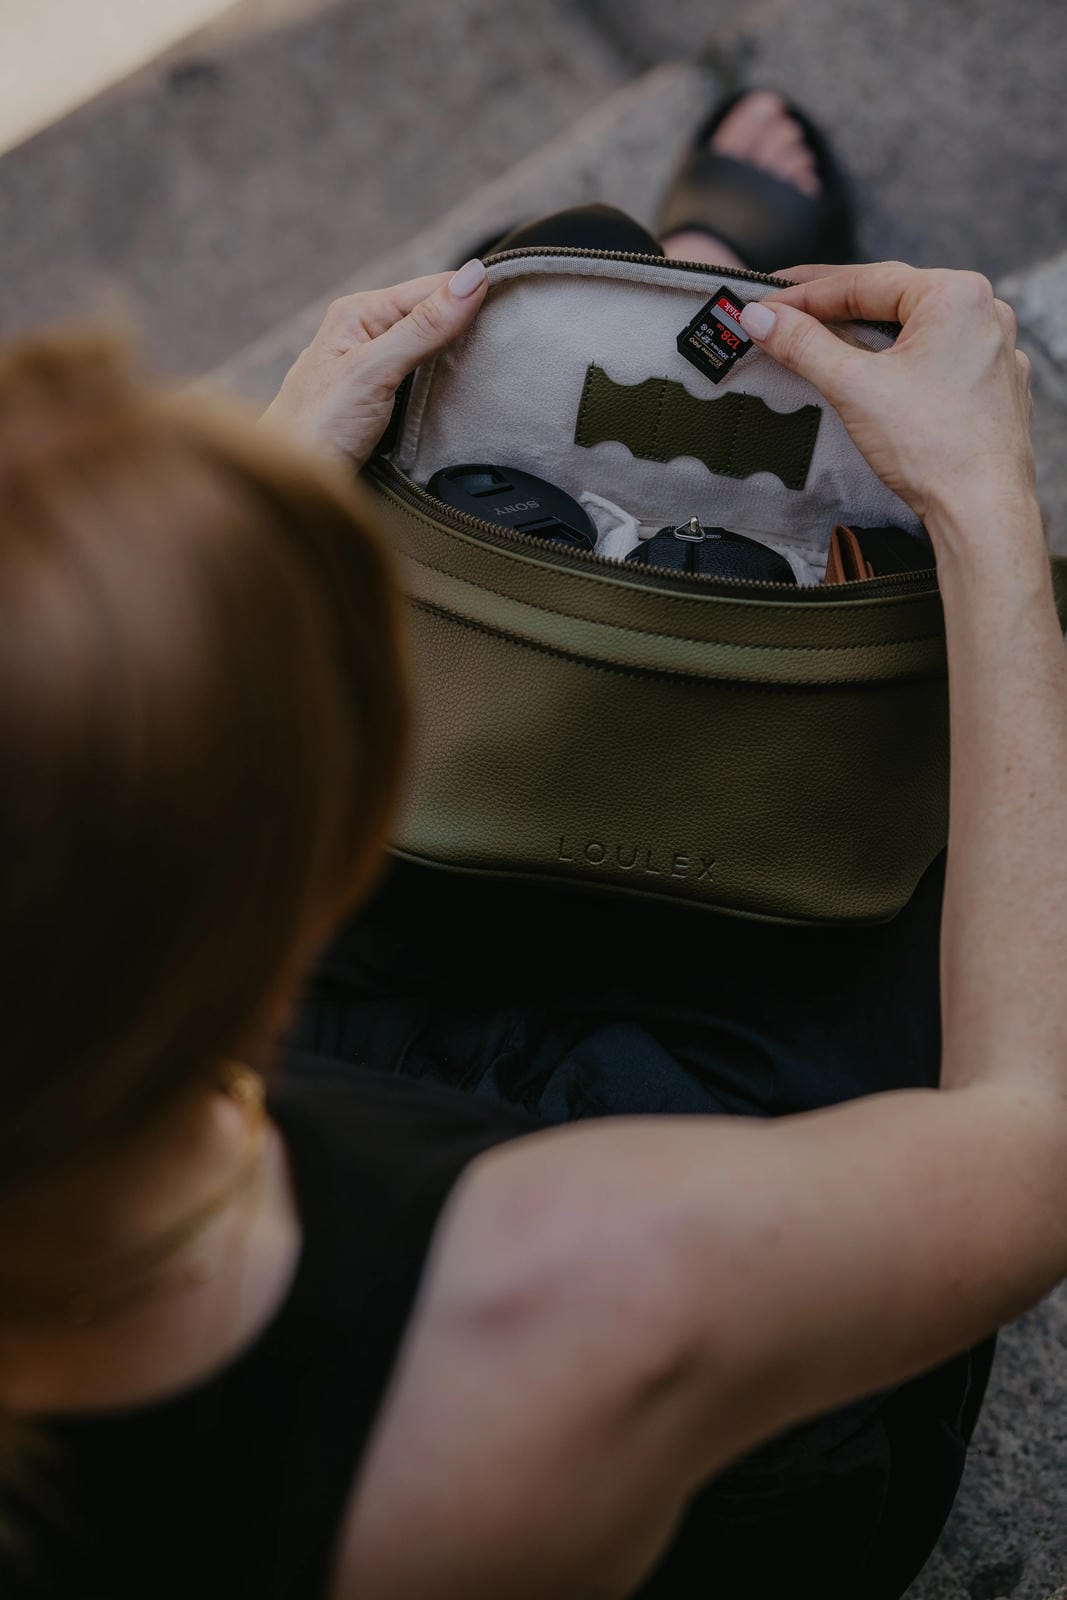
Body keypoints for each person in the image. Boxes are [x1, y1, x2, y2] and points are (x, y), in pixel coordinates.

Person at [0, 91, 1062, 1600]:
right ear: (263, 886)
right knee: (849, 676)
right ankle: (718, 395)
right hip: (705, 1266)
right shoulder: (566, 1312)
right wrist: (979, 506)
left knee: (570, 268)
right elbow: (1029, 1154)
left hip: (301, 1114)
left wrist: (275, 519)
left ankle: (667, 325)